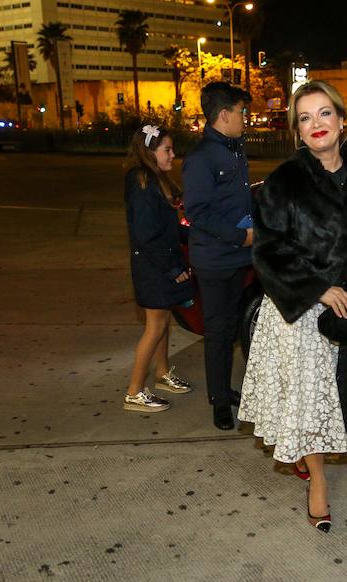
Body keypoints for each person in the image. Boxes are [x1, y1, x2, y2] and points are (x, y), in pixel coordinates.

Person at [239, 80, 347, 532]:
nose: (316, 124)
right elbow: (267, 253)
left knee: (337, 401)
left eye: (324, 113)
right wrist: (319, 288)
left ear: (342, 121)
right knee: (309, 406)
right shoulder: (285, 182)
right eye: (305, 118)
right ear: (298, 132)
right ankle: (318, 482)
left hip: (346, 316)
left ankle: (310, 459)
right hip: (300, 313)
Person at [182, 82, 253, 430]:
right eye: (242, 111)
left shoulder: (235, 149)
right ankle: (219, 403)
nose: (245, 117)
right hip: (214, 260)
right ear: (224, 114)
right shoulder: (201, 158)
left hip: (237, 258)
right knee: (218, 332)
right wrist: (242, 236)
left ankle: (224, 389)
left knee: (230, 330)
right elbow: (197, 212)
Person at [123, 124, 194, 412]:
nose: (173, 155)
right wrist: (172, 268)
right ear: (150, 151)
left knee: (164, 322)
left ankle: (162, 374)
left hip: (160, 263)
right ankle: (134, 392)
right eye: (167, 149)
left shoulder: (155, 179)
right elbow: (146, 235)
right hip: (153, 266)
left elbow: (166, 229)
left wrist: (193, 236)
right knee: (154, 327)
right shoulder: (141, 182)